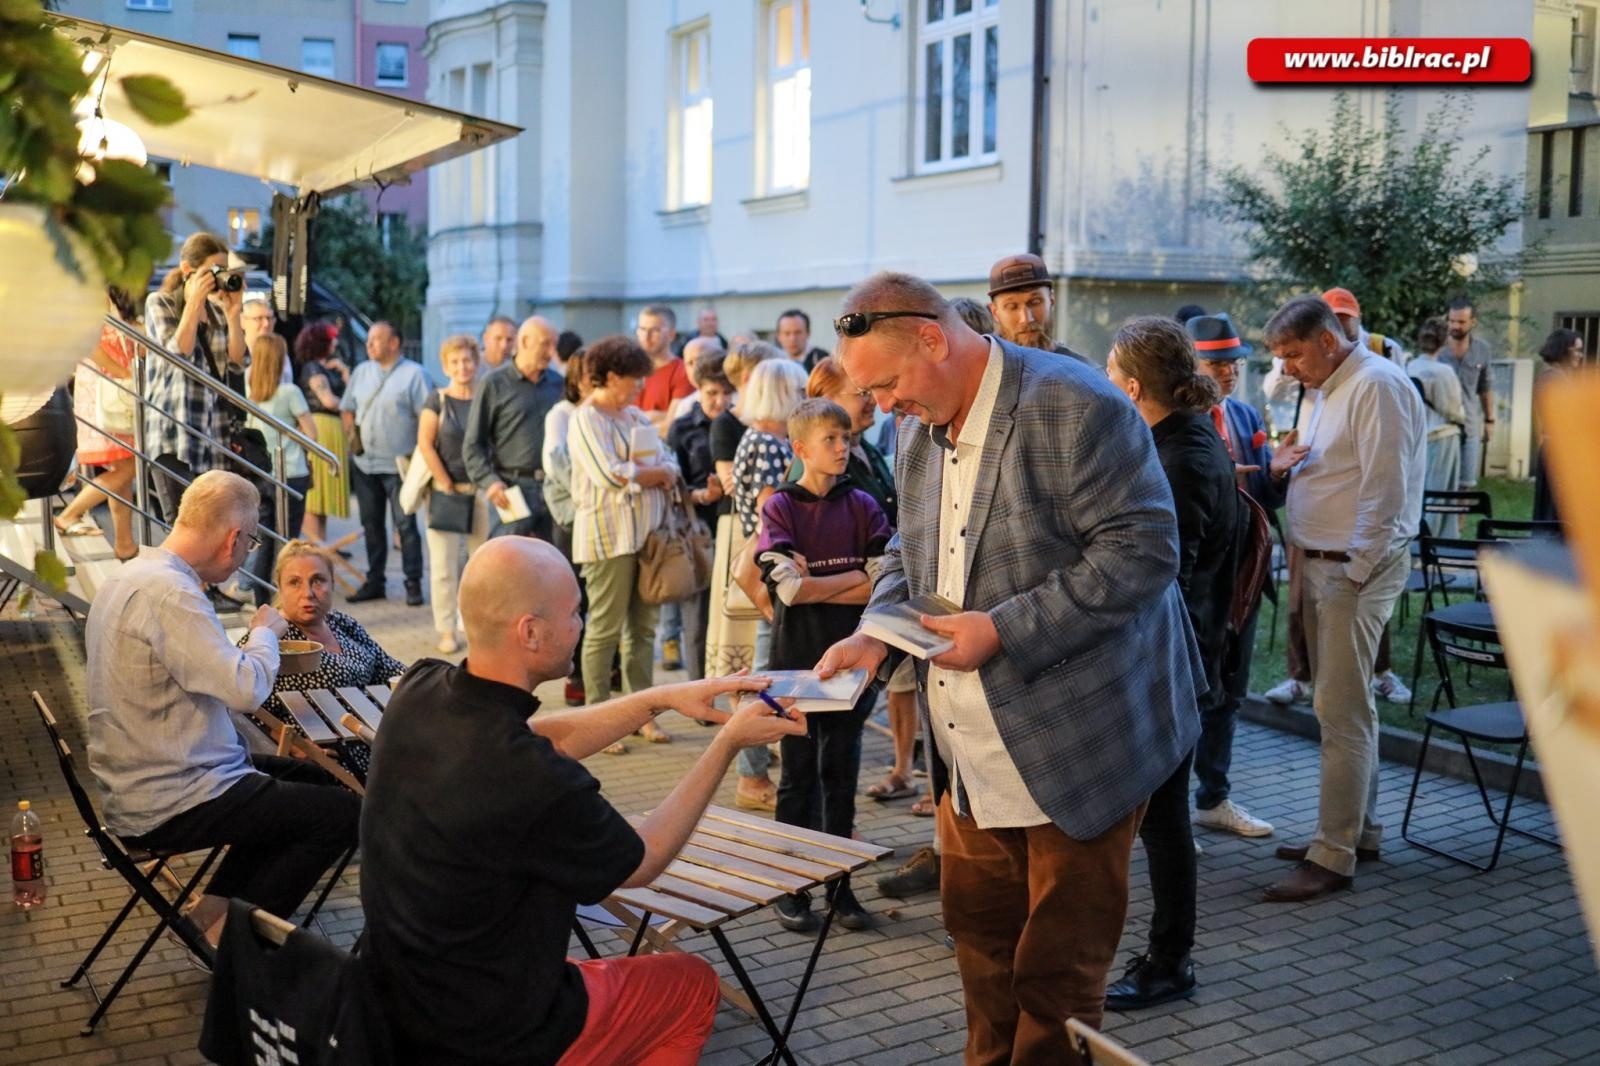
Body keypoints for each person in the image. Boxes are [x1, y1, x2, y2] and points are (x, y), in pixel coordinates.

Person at [817, 272, 1201, 1063]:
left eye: (886, 384)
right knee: (984, 951)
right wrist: (876, 631)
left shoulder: (1077, 402)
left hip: (1079, 747)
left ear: (933, 337)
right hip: (969, 756)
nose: (882, 407)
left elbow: (1146, 551)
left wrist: (1004, 629)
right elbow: (906, 547)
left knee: (1057, 974)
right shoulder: (915, 422)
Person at [359, 537, 806, 1066]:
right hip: (490, 1031)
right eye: (574, 612)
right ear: (530, 631)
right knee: (692, 983)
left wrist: (660, 698)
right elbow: (644, 860)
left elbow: (540, 736)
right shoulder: (532, 779)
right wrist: (728, 742)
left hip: (392, 993)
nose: (582, 623)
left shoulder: (420, 688)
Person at [85, 471, 360, 949]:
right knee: (343, 815)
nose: (245, 553)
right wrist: (266, 632)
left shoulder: (132, 574)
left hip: (152, 774)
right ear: (234, 538)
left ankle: (213, 912)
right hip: (171, 795)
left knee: (316, 780)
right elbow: (246, 689)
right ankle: (239, 946)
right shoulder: (171, 593)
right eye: (251, 541)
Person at [1260, 296, 1424, 903]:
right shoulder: (1332, 385)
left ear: (1328, 339)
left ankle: (1333, 855)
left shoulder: (1376, 385)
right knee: (1350, 709)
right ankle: (1360, 831)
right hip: (1327, 566)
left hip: (1352, 573)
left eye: (1293, 354)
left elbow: (1387, 489)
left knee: (1339, 713)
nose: (1288, 368)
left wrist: (1353, 572)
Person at [1102, 317, 1243, 1010]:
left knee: (1164, 820)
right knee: (1155, 815)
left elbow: (1168, 575)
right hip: (1178, 655)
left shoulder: (1182, 455)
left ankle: (1170, 961)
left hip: (1175, 662)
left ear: (1132, 387)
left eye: (1109, 375)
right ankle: (1159, 951)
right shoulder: (1178, 439)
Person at [759, 399, 891, 933]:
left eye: (846, 438)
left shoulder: (861, 503)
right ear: (800, 448)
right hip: (796, 668)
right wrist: (853, 579)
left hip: (852, 665)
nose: (843, 447)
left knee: (840, 778)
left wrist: (821, 585)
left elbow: (884, 578)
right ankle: (791, 888)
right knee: (796, 779)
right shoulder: (780, 508)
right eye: (831, 440)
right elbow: (788, 589)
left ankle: (841, 889)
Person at [1184, 313, 1279, 840]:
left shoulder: (1244, 415)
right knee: (1189, 692)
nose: (1228, 374)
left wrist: (1276, 473)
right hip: (1198, 580)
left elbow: (1266, 495)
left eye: (1234, 363)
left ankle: (1213, 796)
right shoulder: (1174, 421)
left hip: (1245, 572)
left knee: (1231, 690)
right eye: (1216, 364)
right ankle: (1169, 812)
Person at [569, 335, 682, 744]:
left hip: (646, 539)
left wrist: (650, 473)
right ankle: (598, 721)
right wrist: (650, 475)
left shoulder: (635, 416)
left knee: (644, 630)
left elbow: (668, 462)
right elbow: (609, 474)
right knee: (604, 628)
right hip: (607, 540)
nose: (639, 388)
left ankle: (643, 714)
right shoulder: (586, 419)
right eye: (633, 380)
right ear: (612, 376)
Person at [250, 540, 407, 779]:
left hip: (378, 739)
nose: (308, 593)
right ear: (279, 588)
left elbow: (390, 668)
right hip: (331, 760)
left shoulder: (342, 623)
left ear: (332, 583)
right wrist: (295, 745)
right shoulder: (270, 638)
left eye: (318, 581)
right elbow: (245, 708)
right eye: (295, 582)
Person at [144, 232, 247, 521]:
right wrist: (194, 302)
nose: (217, 279)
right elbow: (179, 352)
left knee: (210, 529)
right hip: (172, 436)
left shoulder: (216, 313)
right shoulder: (160, 303)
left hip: (213, 437)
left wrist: (234, 313)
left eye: (222, 271)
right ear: (188, 270)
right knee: (182, 528)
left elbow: (238, 362)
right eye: (212, 272)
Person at [342, 321, 430, 606]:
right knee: (371, 525)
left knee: (405, 526)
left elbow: (428, 419)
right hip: (365, 464)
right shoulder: (361, 371)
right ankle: (375, 581)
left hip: (400, 466)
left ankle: (413, 582)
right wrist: (352, 438)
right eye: (369, 340)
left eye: (376, 339)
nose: (370, 345)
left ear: (394, 343)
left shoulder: (415, 375)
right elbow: (347, 408)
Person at [55, 287, 144, 562]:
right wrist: (122, 372)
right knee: (127, 467)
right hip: (106, 394)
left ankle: (125, 543)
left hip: (111, 395)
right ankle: (70, 515)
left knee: (122, 468)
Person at [416, 335, 490, 654]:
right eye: (456, 361)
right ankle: (447, 630)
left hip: (482, 491)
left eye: (468, 360)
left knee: (482, 566)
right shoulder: (438, 399)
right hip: (445, 490)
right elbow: (425, 443)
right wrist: (443, 481)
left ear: (477, 362)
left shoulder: (486, 398)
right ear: (446, 365)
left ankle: (476, 627)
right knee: (444, 567)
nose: (463, 367)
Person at [463, 315, 563, 541]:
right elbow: (473, 445)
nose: (551, 352)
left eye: (554, 345)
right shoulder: (494, 383)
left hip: (553, 488)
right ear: (525, 342)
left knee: (554, 564)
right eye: (546, 344)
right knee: (505, 561)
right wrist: (491, 483)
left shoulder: (559, 384)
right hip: (511, 489)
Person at [666, 352, 733, 681]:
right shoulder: (682, 428)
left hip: (733, 523)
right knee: (697, 615)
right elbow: (671, 484)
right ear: (699, 390)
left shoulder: (738, 423)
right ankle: (697, 687)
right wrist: (700, 494)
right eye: (712, 394)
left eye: (725, 393)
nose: (719, 401)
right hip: (696, 527)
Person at [243, 333, 317, 606]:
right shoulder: (290, 392)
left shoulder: (251, 394)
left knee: (265, 539)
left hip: (263, 476)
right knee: (288, 541)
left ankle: (262, 598)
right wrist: (294, 432)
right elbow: (313, 434)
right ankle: (286, 601)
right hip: (291, 473)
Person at [543, 351, 591, 706]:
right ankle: (577, 673)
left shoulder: (612, 414)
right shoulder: (562, 414)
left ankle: (608, 666)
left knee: (601, 598)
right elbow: (555, 463)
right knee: (576, 596)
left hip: (603, 517)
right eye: (590, 374)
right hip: (574, 516)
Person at [292, 322, 351, 544]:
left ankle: (320, 543)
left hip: (329, 429)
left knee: (322, 499)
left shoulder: (324, 367)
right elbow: (328, 401)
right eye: (330, 338)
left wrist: (345, 373)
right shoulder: (313, 369)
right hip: (321, 428)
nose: (335, 342)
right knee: (316, 497)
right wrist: (351, 402)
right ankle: (314, 545)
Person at [1407, 319, 1467, 532]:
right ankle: (1438, 539)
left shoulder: (1410, 366)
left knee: (1419, 491)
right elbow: (1453, 410)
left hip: (1418, 436)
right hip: (1443, 436)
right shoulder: (1444, 371)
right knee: (1441, 494)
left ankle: (1418, 538)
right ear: (1443, 341)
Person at [985, 252, 1088, 362]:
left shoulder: (1083, 371)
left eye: (1035, 302)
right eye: (1012, 307)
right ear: (995, 312)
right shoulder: (982, 367)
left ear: (1051, 299)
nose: (1026, 319)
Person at [1440, 297, 1496, 488]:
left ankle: (1460, 519)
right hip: (1441, 426)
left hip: (1470, 424)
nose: (1455, 326)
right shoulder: (1437, 350)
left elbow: (1485, 387)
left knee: (1466, 485)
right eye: (1452, 321)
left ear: (1473, 322)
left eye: (1461, 322)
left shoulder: (1482, 350)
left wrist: (1490, 420)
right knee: (1439, 484)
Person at [1533, 327, 1584, 522]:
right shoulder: (1553, 379)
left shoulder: (1559, 378)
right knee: (1553, 513)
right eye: (1576, 350)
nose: (1580, 355)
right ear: (1563, 349)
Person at [634, 305, 694, 434]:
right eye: (642, 329)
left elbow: (672, 426)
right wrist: (659, 416)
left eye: (655, 330)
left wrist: (633, 426)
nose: (647, 336)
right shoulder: (627, 370)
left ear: (671, 334)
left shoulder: (683, 372)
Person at [1321, 287, 1408, 363]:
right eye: (1332, 319)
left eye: (1344, 317)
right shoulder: (1319, 354)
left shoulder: (1386, 348)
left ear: (1359, 318)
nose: (1338, 323)